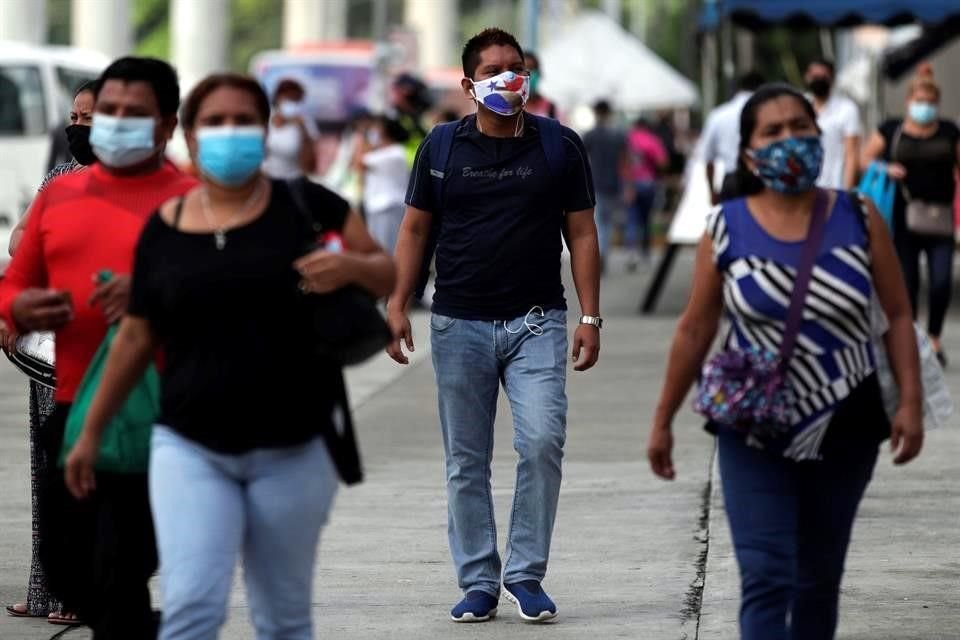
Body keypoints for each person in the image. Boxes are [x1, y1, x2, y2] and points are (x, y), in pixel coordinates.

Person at [63, 72, 394, 640]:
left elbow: (385, 269)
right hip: (190, 446)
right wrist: (89, 434)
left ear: (265, 133)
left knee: (282, 618)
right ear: (189, 136)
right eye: (214, 122)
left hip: (294, 447)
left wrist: (352, 269)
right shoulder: (163, 229)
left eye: (243, 121)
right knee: (191, 609)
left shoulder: (307, 204)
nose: (229, 133)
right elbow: (137, 338)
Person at [647, 84, 923, 640]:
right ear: (748, 153)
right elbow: (696, 328)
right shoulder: (725, 225)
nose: (789, 140)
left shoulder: (860, 215)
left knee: (818, 580)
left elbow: (896, 313)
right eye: (772, 132)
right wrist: (662, 422)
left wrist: (911, 404)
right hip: (753, 425)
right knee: (767, 577)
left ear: (818, 135)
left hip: (847, 422)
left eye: (800, 126)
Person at [386, 28, 601, 624]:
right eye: (494, 70)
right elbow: (413, 231)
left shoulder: (559, 145)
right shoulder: (441, 148)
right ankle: (479, 580)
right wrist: (398, 302)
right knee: (466, 459)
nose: (508, 78)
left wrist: (589, 314)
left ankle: (526, 575)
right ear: (468, 85)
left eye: (517, 67)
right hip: (458, 325)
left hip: (538, 323)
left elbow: (581, 233)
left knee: (541, 442)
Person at [0, 56, 197, 639]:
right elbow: (17, 280)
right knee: (70, 561)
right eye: (103, 112)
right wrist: (15, 309)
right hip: (71, 402)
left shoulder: (190, 200)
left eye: (129, 113)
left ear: (164, 124)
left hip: (154, 407)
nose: (107, 124)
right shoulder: (62, 194)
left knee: (127, 558)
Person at [2, 79, 96, 626]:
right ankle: (47, 591)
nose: (77, 127)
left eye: (91, 118)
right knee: (46, 466)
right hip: (52, 345)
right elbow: (20, 239)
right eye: (75, 117)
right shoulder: (61, 176)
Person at [861, 65, 959, 366]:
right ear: (908, 101)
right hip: (902, 218)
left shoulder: (949, 131)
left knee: (941, 281)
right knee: (908, 281)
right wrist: (884, 168)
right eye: (919, 101)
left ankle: (934, 337)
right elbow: (864, 159)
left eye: (930, 102)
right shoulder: (892, 129)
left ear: (937, 104)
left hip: (939, 217)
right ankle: (912, 341)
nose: (924, 107)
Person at [699, 71, 765, 203]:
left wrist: (712, 192)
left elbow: (708, 159)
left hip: (732, 182)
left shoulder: (718, 115)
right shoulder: (766, 112)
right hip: (763, 179)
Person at [356, 115, 410, 254]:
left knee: (387, 251)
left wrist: (362, 137)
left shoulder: (395, 152)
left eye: (376, 128)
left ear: (385, 132)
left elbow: (359, 163)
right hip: (377, 207)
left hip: (389, 207)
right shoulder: (382, 153)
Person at [582, 99, 626, 271]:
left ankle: (600, 254)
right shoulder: (618, 134)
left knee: (599, 221)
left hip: (595, 183)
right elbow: (625, 161)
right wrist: (628, 185)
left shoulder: (590, 135)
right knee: (607, 222)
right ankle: (603, 253)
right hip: (614, 184)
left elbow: (582, 159)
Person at [805, 58, 862, 189]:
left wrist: (847, 192)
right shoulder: (800, 105)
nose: (818, 80)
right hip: (806, 187)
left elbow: (851, 153)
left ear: (831, 79)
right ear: (807, 77)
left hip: (834, 186)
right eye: (814, 76)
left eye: (823, 76)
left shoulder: (846, 108)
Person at [625, 117, 668, 268]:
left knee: (631, 219)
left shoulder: (627, 139)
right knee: (646, 219)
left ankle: (631, 253)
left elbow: (622, 163)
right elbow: (662, 162)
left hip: (630, 183)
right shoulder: (652, 140)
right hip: (648, 183)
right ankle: (645, 252)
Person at [262, 78, 318, 179]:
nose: (292, 103)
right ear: (278, 97)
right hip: (268, 178)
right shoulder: (265, 119)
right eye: (289, 98)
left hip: (294, 179)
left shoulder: (305, 122)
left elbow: (311, 163)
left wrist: (302, 128)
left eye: (296, 100)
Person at [521, 50, 557, 119]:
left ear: (539, 73)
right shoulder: (510, 109)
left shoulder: (550, 108)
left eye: (531, 68)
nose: (528, 74)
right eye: (523, 70)